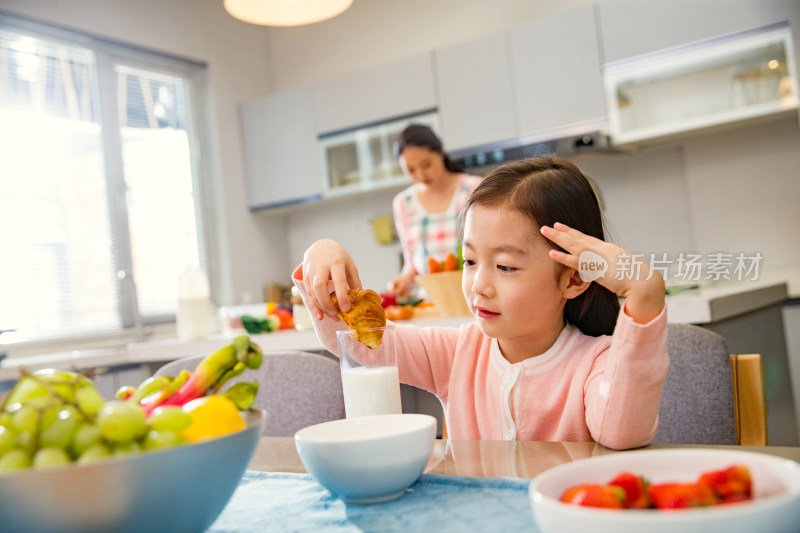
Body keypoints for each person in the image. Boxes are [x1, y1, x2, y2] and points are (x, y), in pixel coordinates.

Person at [294, 155, 669, 450]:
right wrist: (321, 256)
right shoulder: (457, 353)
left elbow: (623, 431)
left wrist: (644, 293)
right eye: (470, 261)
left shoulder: (595, 363)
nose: (479, 286)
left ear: (572, 278)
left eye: (505, 266)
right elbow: (360, 341)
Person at [388, 124, 482, 296]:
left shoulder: (474, 188)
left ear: (440, 152)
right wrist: (403, 281)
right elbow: (412, 262)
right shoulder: (403, 202)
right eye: (411, 170)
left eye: (426, 164)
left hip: (475, 292)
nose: (421, 175)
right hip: (431, 299)